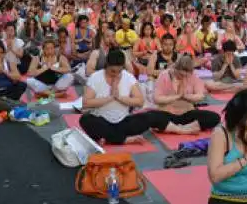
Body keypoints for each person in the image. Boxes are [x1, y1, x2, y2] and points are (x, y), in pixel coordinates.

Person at [80, 50, 215, 144]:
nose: (116, 74)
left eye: (119, 71)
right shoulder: (96, 77)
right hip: (102, 120)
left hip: (124, 122)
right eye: (112, 71)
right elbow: (86, 103)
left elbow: (139, 102)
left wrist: (120, 98)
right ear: (106, 67)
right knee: (85, 120)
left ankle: (109, 137)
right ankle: (123, 139)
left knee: (152, 116)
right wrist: (111, 98)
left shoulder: (128, 77)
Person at [153, 55, 220, 133]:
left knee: (215, 117)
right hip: (167, 114)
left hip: (187, 114)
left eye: (186, 75)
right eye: (180, 75)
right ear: (175, 69)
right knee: (150, 118)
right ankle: (182, 129)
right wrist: (176, 97)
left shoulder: (194, 76)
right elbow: (157, 99)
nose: (183, 77)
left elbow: (200, 96)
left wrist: (185, 96)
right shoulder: (164, 75)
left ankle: (179, 128)